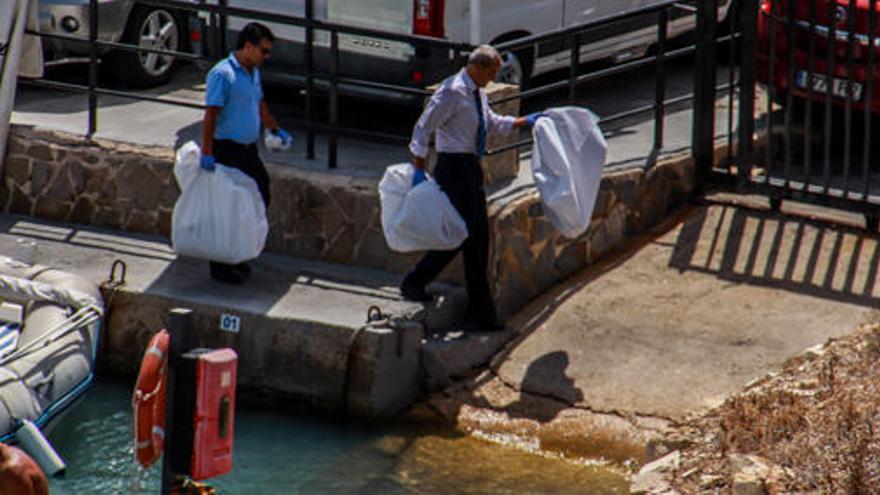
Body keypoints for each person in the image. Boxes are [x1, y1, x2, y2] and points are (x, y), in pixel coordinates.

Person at [400, 45, 545, 332]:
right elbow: (423, 129)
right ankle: (417, 282)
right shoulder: (452, 92)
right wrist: (418, 169)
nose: (493, 79)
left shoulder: (476, 91)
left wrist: (525, 122)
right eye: (491, 73)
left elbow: (490, 122)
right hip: (453, 169)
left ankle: (479, 310)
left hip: (469, 168)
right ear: (477, 67)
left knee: (477, 238)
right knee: (464, 233)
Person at [200, 22, 291, 284]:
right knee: (229, 206)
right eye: (264, 51)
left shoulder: (252, 72)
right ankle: (221, 265)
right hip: (226, 150)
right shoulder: (223, 74)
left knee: (257, 196)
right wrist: (207, 153)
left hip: (247, 150)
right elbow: (210, 116)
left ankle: (237, 255)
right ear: (248, 47)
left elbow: (259, 103)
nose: (267, 57)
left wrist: (275, 128)